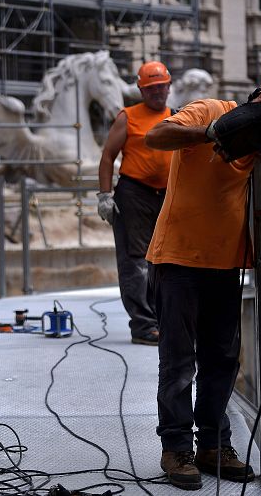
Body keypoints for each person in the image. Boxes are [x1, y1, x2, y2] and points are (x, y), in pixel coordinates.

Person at [143, 77, 261, 490]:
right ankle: (176, 448)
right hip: (178, 258)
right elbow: (158, 135)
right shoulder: (210, 110)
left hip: (225, 264)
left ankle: (213, 445)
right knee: (179, 363)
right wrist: (210, 133)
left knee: (222, 361)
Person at [97, 61, 173, 346]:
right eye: (151, 88)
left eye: (161, 86)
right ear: (141, 90)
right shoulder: (128, 117)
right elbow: (107, 157)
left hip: (166, 195)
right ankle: (142, 326)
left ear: (169, 86)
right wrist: (105, 195)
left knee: (163, 260)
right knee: (134, 261)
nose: (156, 92)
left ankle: (162, 319)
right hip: (134, 194)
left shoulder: (176, 117)